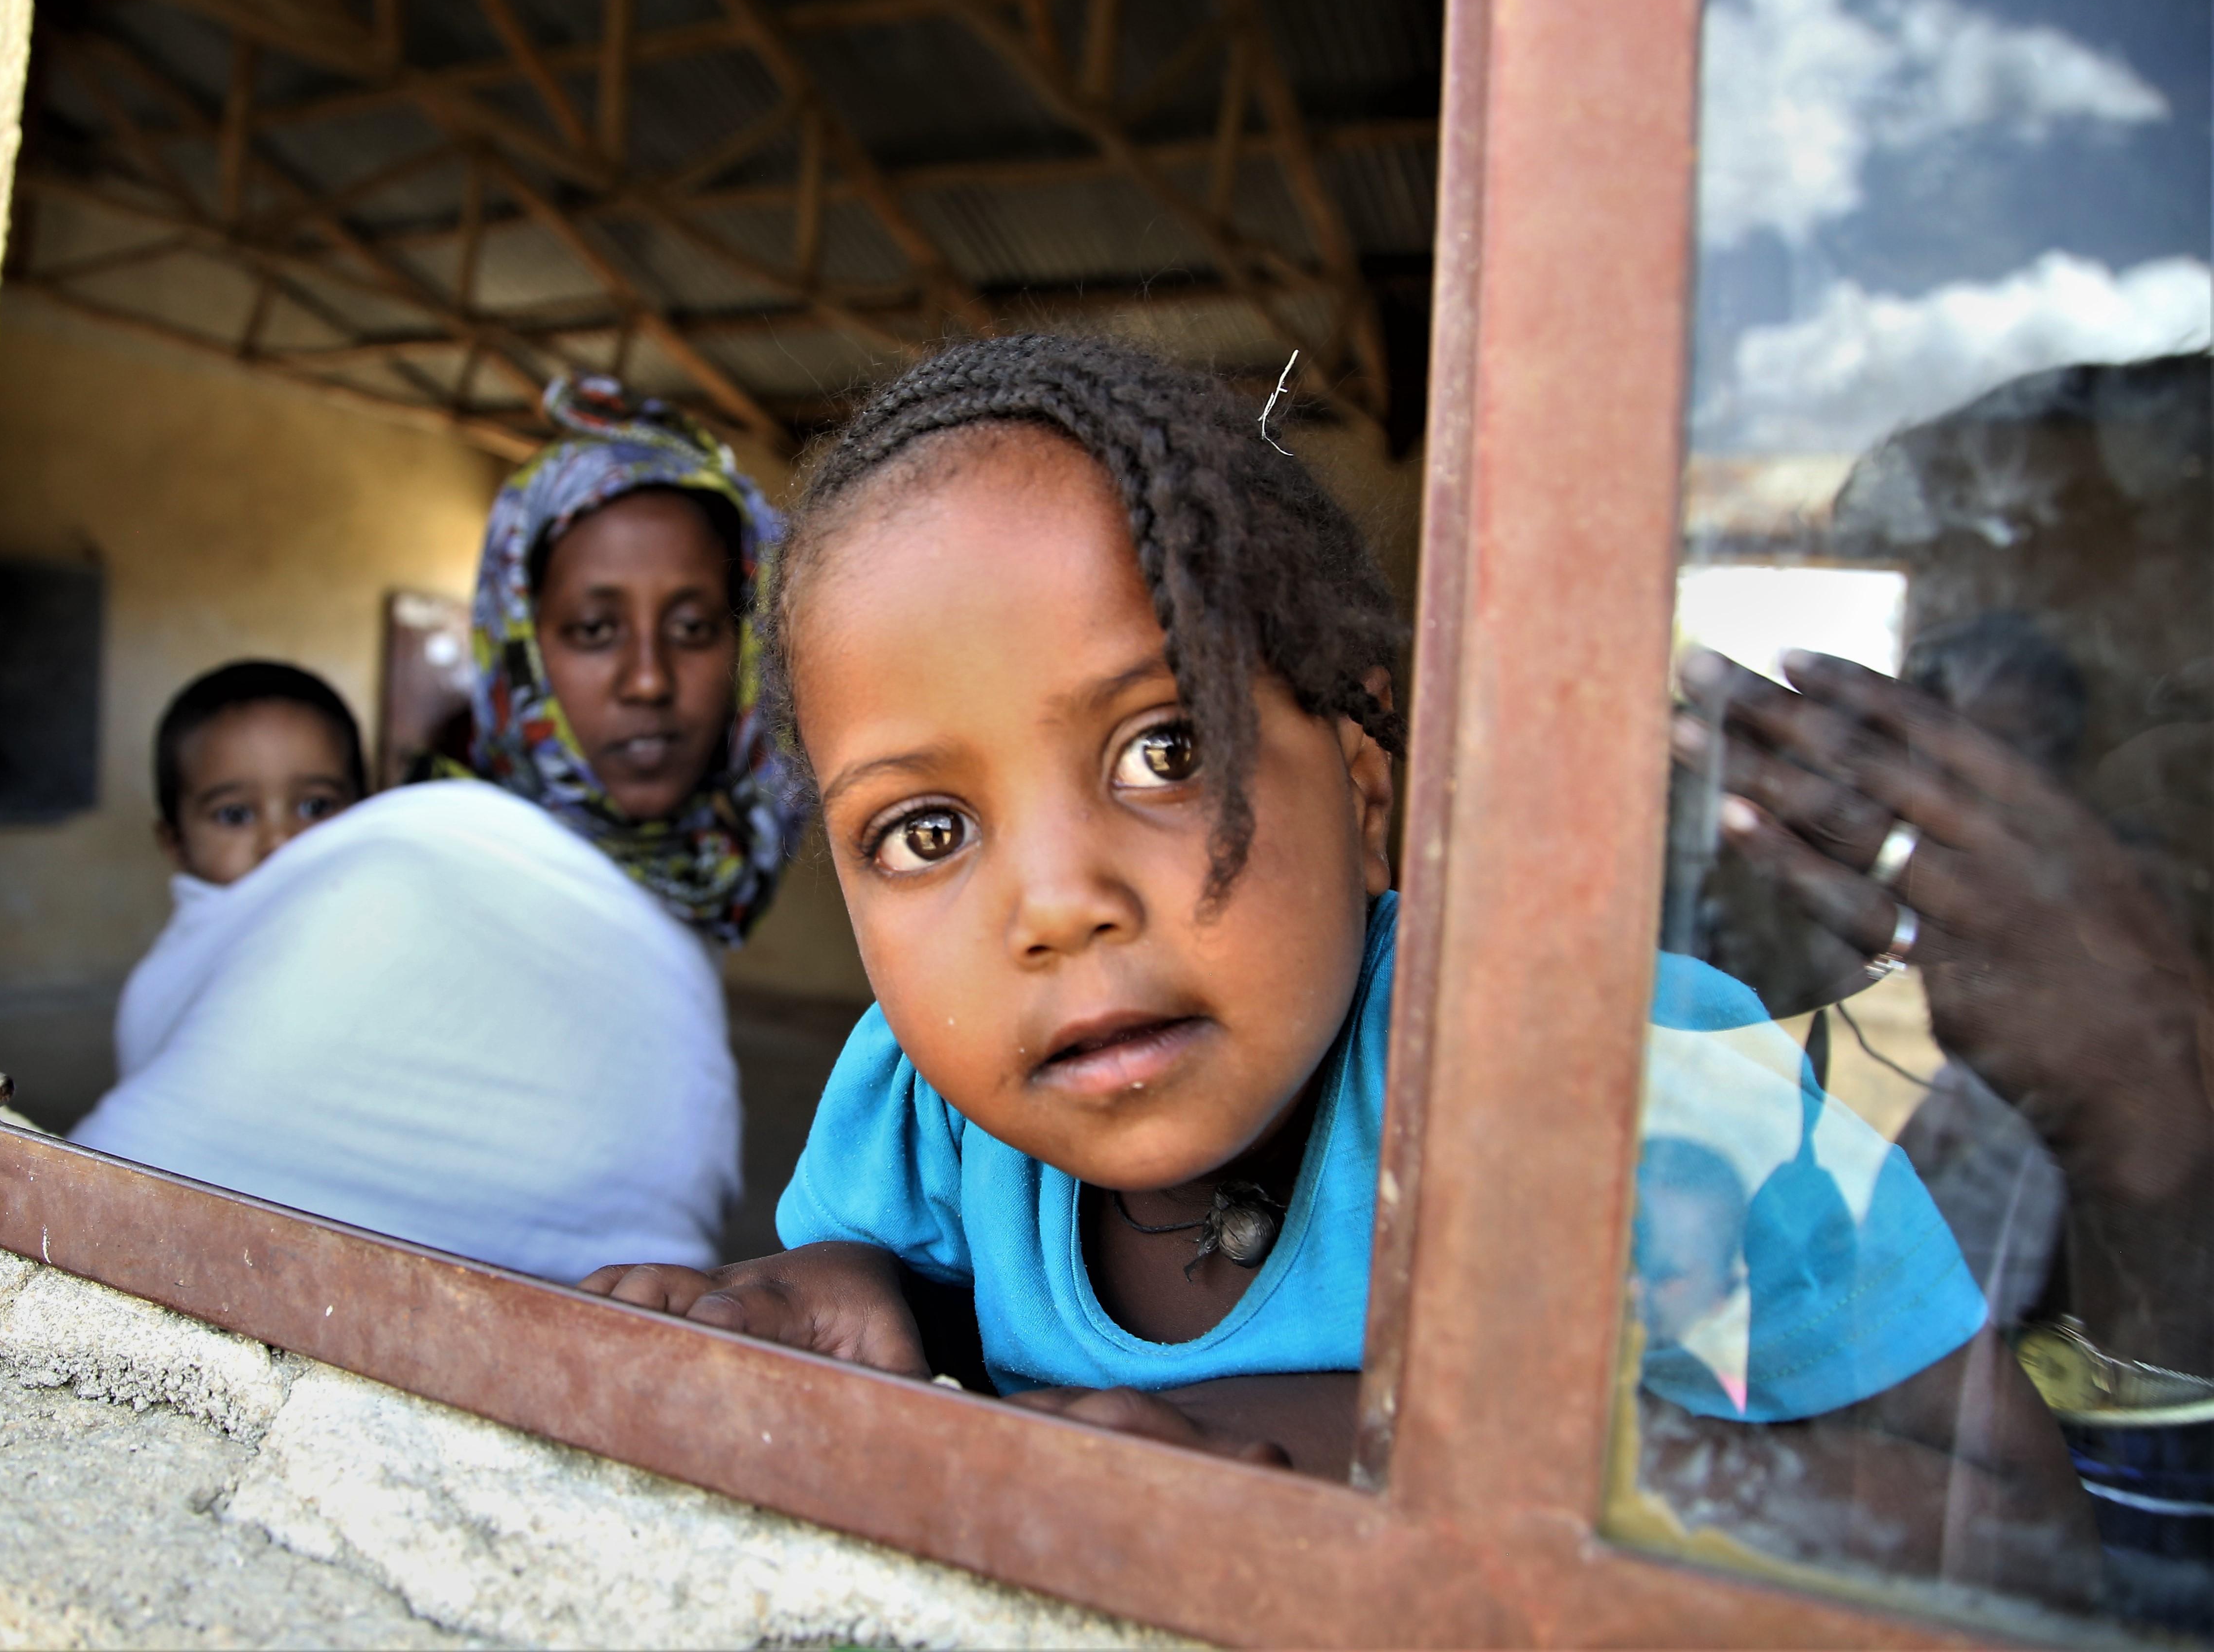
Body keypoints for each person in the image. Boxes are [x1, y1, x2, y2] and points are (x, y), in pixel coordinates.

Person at [582, 336, 2092, 1597]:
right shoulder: (923, 1109)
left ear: (1366, 789)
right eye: (923, 831)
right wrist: (832, 1300)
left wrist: (1360, 1444)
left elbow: (2015, 1530)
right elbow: (888, 1281)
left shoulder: (1626, 1078)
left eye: (1164, 749)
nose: (1056, 906)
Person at [72, 377, 789, 1281]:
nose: (648, 678)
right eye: (595, 628)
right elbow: (146, 1171)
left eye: (693, 627)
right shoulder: (410, 865)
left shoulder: (717, 869)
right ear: (518, 641)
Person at [114, 661, 367, 1085]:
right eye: (235, 815)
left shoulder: (379, 924)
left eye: (316, 807)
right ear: (175, 843)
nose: (279, 841)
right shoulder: (168, 985)